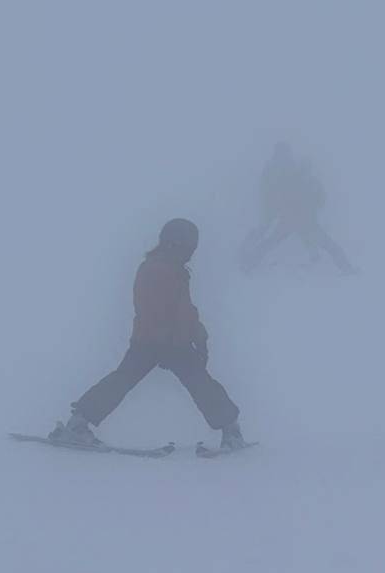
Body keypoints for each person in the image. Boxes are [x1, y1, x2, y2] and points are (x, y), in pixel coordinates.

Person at [50, 218, 247, 456]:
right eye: (188, 248)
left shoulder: (173, 270)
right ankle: (78, 424)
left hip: (163, 341)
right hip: (158, 341)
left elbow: (185, 309)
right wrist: (176, 341)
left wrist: (199, 336)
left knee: (184, 382)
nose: (191, 254)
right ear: (174, 244)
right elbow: (153, 310)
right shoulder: (156, 269)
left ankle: (79, 422)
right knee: (192, 383)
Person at [241, 143, 357, 274]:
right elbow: (320, 201)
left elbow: (317, 200)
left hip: (292, 221)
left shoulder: (293, 180)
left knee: (270, 243)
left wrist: (280, 211)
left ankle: (248, 264)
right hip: (302, 222)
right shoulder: (306, 182)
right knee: (328, 244)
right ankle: (346, 268)